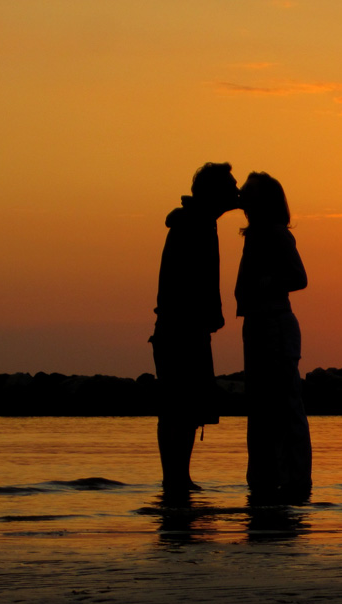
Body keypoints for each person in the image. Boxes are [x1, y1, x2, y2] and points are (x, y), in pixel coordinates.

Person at [150, 162, 238, 493]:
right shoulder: (194, 225)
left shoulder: (198, 221)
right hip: (182, 329)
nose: (237, 192)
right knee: (180, 408)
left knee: (181, 408)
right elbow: (183, 284)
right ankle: (176, 478)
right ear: (215, 193)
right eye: (231, 187)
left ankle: (176, 478)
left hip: (182, 327)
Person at [234, 172, 312, 502]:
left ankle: (293, 481)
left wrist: (266, 283)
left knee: (283, 405)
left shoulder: (277, 234)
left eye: (248, 191)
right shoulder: (255, 234)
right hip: (257, 324)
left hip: (274, 325)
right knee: (261, 406)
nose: (241, 195)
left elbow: (299, 277)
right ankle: (264, 479)